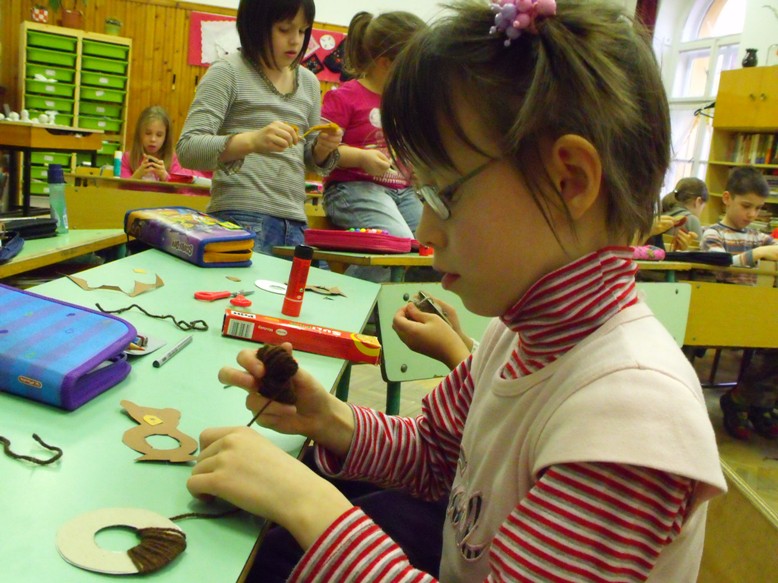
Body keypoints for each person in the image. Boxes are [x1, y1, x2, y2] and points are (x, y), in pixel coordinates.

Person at [188, 1, 726, 580]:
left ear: (569, 180)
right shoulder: (517, 334)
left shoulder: (630, 421)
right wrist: (331, 419)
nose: (424, 231)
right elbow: (436, 455)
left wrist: (309, 506)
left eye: (443, 194)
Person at [176, 0, 342, 255]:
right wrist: (252, 141)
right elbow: (188, 149)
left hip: (295, 221)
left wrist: (323, 148)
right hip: (239, 217)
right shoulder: (228, 71)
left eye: (302, 31)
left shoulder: (309, 82)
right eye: (284, 29)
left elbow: (308, 158)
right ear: (255, 26)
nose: (296, 41)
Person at [320, 11, 426, 239]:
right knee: (397, 241)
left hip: (403, 192)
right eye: (414, 65)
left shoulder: (404, 102)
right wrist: (361, 158)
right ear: (386, 63)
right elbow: (322, 152)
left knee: (431, 245)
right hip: (352, 189)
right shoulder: (344, 97)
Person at [701, 166, 778, 440]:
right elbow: (720, 264)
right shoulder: (713, 234)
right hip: (725, 312)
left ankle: (759, 403)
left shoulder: (760, 237)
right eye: (747, 206)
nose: (753, 215)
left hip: (756, 311)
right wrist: (758, 253)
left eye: (758, 208)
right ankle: (740, 401)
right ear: (726, 198)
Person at [121, 105, 211, 182]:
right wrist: (138, 175)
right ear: (139, 133)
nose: (153, 139)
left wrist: (164, 176)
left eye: (159, 135)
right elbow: (121, 188)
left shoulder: (173, 159)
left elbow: (180, 190)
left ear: (166, 137)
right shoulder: (128, 158)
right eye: (148, 133)